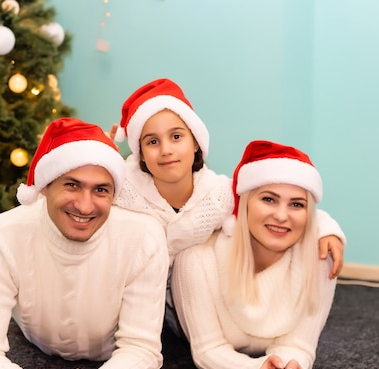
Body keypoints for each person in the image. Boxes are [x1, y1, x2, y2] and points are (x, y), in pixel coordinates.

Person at [0, 117, 170, 369]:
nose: (85, 206)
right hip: (36, 342)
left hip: (108, 354)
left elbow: (141, 346)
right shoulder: (3, 233)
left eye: (100, 190)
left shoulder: (144, 236)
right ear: (45, 186)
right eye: (72, 185)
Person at [109, 78, 345, 335]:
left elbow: (273, 207)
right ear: (140, 151)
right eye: (152, 142)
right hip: (123, 301)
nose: (166, 150)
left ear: (195, 141)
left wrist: (327, 229)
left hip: (179, 307)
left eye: (176, 137)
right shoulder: (122, 186)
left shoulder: (218, 194)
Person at [171, 140, 338, 369]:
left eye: (296, 204)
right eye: (269, 199)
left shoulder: (321, 259)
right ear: (245, 202)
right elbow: (207, 350)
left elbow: (299, 344)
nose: (282, 215)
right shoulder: (195, 258)